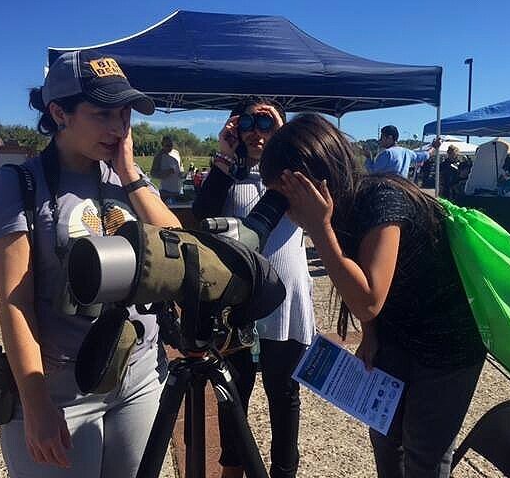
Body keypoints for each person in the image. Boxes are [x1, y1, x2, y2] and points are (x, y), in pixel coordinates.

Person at [0, 50, 181, 478]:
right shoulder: (19, 184)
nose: (119, 127)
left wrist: (129, 174)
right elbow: (15, 302)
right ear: (59, 113)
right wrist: (35, 403)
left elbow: (178, 250)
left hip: (140, 372)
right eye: (103, 114)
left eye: (125, 114)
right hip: (60, 387)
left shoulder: (127, 180)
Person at [260, 113, 486, 478]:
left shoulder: (383, 199)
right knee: (384, 435)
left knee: (424, 452)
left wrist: (319, 227)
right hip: (398, 333)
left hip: (448, 344)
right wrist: (371, 334)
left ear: (318, 181)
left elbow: (368, 298)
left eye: (288, 197)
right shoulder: (343, 209)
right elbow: (369, 296)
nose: (286, 211)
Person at [193, 97, 315, 478]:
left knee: (283, 397)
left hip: (285, 301)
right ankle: (233, 467)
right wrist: (224, 154)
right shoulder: (229, 174)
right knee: (233, 393)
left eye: (265, 123)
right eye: (247, 123)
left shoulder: (292, 174)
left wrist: (283, 137)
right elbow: (201, 214)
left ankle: (283, 471)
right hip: (238, 304)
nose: (255, 132)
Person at [367, 125, 440, 178]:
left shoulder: (387, 153)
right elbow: (424, 155)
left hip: (387, 189)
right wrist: (434, 147)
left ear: (390, 138)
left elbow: (373, 172)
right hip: (403, 188)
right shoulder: (407, 152)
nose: (380, 140)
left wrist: (368, 158)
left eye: (382, 137)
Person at [151, 135, 183, 204]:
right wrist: (166, 172)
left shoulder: (176, 153)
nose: (170, 147)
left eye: (171, 145)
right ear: (162, 145)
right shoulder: (159, 156)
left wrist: (181, 172)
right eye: (167, 145)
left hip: (178, 190)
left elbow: (180, 166)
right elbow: (153, 173)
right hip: (165, 191)